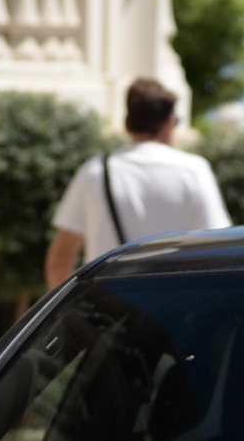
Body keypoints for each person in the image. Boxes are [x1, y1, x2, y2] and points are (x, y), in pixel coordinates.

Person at [44, 78, 230, 288]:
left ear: (127, 123)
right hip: (173, 305)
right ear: (169, 123)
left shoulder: (95, 171)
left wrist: (67, 317)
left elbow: (60, 258)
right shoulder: (193, 170)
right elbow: (220, 246)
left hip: (108, 309)